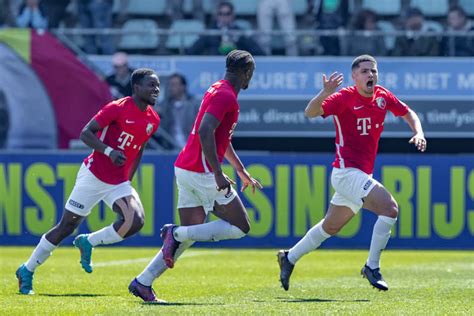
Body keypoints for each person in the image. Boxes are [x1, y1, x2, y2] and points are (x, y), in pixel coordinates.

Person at [277, 55, 427, 292]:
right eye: (365, 71)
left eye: (374, 71)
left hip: (358, 175)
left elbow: (408, 112)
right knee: (390, 209)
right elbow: (310, 112)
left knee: (330, 227)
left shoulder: (382, 96)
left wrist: (418, 132)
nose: (371, 75)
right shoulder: (344, 97)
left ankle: (289, 257)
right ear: (354, 76)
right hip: (346, 173)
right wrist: (324, 92)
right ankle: (372, 266)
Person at [128, 50, 262, 303]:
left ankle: (143, 282)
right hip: (201, 171)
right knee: (240, 227)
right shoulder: (226, 96)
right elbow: (204, 131)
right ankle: (174, 232)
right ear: (246, 73)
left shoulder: (217, 89)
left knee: (190, 233)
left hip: (186, 167)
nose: (250, 79)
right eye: (251, 74)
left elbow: (221, 137)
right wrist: (218, 173)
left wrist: (240, 170)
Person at [15, 68, 161, 295]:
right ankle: (27, 270)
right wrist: (109, 151)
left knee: (136, 221)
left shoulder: (153, 118)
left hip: (118, 181)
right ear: (136, 88)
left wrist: (128, 180)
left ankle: (88, 241)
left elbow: (139, 147)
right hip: (94, 175)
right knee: (66, 226)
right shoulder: (117, 107)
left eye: (157, 85)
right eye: (151, 85)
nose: (156, 89)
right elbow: (86, 133)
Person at [186, 1, 265, 56]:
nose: (224, 17)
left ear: (233, 15)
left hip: (235, 71)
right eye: (221, 14)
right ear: (217, 15)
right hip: (214, 69)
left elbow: (259, 52)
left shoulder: (239, 33)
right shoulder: (210, 33)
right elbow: (191, 51)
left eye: (227, 13)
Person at [157, 73, 200, 149]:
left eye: (174, 85)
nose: (171, 88)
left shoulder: (194, 105)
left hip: (192, 146)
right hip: (170, 149)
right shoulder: (164, 106)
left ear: (183, 87)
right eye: (170, 85)